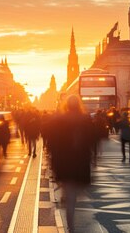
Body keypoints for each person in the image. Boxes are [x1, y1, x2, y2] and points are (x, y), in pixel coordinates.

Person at [48, 95, 98, 232]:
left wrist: (54, 165)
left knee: (70, 197)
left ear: (67, 105)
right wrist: (93, 159)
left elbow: (54, 145)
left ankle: (71, 227)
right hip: (80, 162)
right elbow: (92, 140)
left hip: (65, 163)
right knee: (74, 195)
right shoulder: (85, 119)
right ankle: (71, 220)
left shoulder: (60, 120)